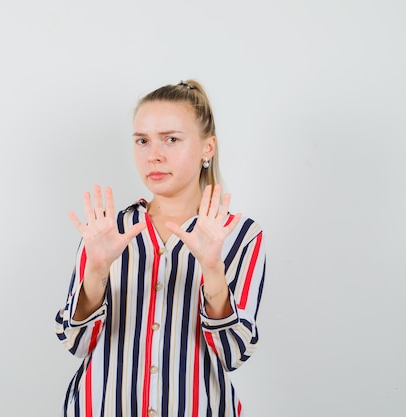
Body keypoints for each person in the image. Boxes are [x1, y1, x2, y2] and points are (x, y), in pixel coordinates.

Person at [55, 80, 266, 417]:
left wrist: (213, 272)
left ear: (207, 148)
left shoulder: (239, 234)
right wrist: (96, 272)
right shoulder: (108, 230)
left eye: (171, 139)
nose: (154, 155)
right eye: (142, 141)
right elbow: (75, 343)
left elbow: (233, 353)